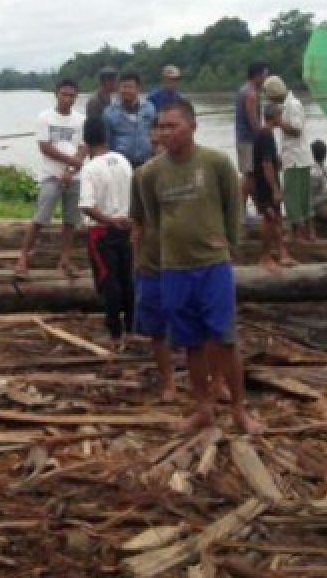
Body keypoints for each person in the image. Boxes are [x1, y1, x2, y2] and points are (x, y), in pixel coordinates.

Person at [135, 97, 264, 435]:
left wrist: (229, 244)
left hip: (212, 265)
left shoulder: (216, 163)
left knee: (224, 339)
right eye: (161, 126)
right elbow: (153, 217)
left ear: (192, 126)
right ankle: (203, 408)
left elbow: (233, 207)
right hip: (174, 268)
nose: (165, 133)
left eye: (172, 126)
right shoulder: (149, 174)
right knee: (190, 342)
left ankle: (238, 409)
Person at [14, 79, 85, 278]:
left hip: (74, 177)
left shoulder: (80, 120)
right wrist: (70, 161)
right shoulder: (45, 118)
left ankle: (65, 260)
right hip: (51, 175)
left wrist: (71, 169)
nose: (67, 99)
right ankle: (22, 258)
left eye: (71, 95)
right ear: (56, 94)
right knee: (40, 218)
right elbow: (45, 147)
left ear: (75, 97)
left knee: (70, 221)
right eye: (64, 94)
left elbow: (83, 147)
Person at [78, 117, 133, 351]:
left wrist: (109, 220)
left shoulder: (90, 168)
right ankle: (131, 325)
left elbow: (87, 206)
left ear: (86, 142)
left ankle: (115, 332)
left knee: (107, 279)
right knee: (126, 277)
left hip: (102, 231)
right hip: (126, 226)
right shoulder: (123, 161)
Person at [131, 128, 176, 402]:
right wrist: (137, 261)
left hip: (184, 261)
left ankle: (214, 381)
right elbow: (136, 223)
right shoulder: (143, 176)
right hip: (153, 261)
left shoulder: (190, 173)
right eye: (154, 144)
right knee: (157, 329)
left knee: (204, 326)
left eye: (162, 142)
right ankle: (168, 381)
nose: (158, 148)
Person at [263, 76, 312, 241]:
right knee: (301, 197)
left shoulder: (293, 105)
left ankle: (296, 233)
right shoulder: (287, 105)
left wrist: (278, 123)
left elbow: (297, 130)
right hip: (295, 156)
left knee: (293, 197)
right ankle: (306, 233)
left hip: (296, 157)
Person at [253, 103, 293, 272]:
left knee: (275, 218)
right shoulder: (266, 135)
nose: (281, 119)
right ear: (275, 117)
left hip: (264, 181)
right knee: (269, 219)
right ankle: (265, 256)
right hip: (266, 184)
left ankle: (282, 254)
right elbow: (266, 164)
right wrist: (275, 189)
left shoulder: (263, 134)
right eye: (280, 115)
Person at [103, 71, 156, 168]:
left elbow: (155, 134)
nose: (126, 90)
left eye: (130, 87)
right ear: (118, 88)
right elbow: (106, 142)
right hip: (120, 164)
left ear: (138, 89)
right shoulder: (109, 112)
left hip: (147, 162)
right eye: (123, 87)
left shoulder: (149, 108)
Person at [235, 62, 268, 214]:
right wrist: (264, 137)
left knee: (250, 176)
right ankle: (240, 211)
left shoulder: (243, 90)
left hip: (242, 139)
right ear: (257, 75)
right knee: (248, 177)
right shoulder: (251, 94)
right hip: (248, 141)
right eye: (264, 75)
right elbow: (253, 121)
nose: (265, 79)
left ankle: (257, 210)